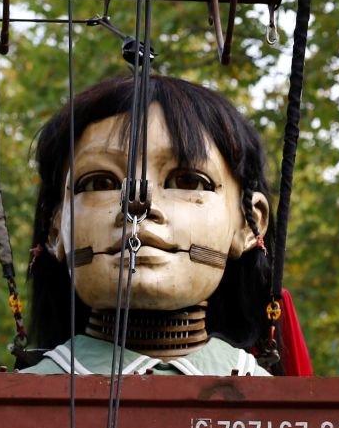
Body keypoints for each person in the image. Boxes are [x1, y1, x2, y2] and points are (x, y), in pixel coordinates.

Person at [22, 75, 312, 376]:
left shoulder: (282, 412)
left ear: (250, 224)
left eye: (187, 181)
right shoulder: (1, 406)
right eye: (100, 182)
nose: (138, 204)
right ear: (55, 229)